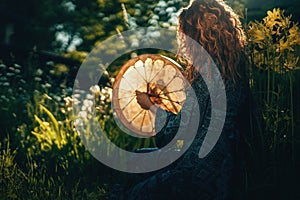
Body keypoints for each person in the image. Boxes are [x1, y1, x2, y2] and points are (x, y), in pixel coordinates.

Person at [111, 0, 251, 199]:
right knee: (141, 159)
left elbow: (174, 135)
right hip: (229, 164)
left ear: (196, 38)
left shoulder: (207, 77)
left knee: (134, 186)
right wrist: (160, 104)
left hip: (197, 172)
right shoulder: (236, 69)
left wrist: (151, 106)